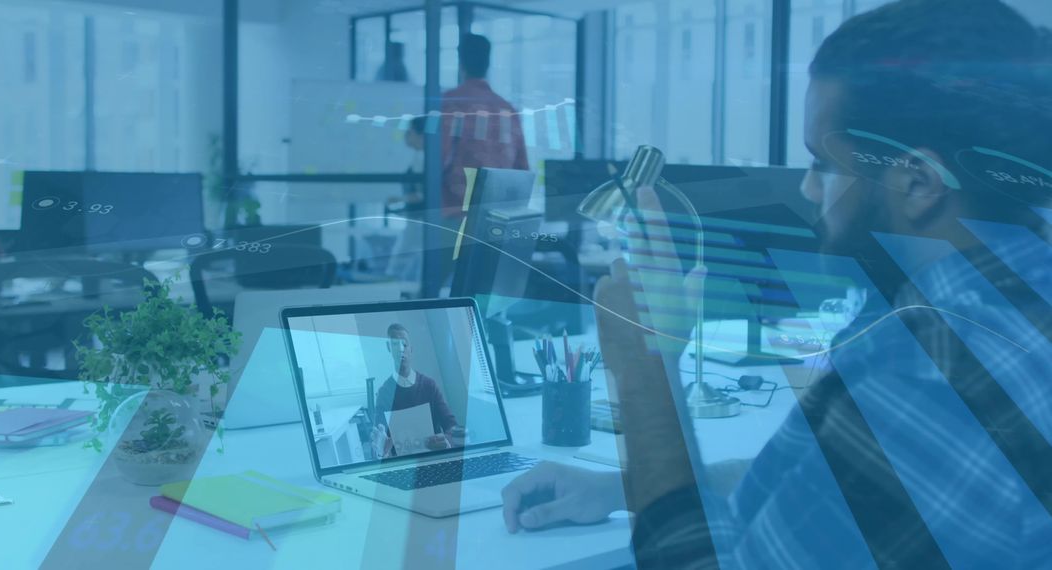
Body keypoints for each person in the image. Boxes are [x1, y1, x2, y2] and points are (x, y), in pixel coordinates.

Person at [501, 1, 1052, 567]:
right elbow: (832, 483)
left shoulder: (928, 365)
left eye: (824, 164)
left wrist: (644, 368)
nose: (810, 189)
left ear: (918, 184)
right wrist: (624, 487)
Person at [440, 33, 529, 219]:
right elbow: (522, 168)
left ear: (460, 63)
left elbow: (441, 155)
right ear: (488, 64)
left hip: (455, 211)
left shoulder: (452, 102)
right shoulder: (507, 109)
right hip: (497, 214)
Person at [371, 323, 461, 458]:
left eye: (405, 344)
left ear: (411, 349)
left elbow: (451, 426)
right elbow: (380, 438)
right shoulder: (384, 393)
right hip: (403, 465)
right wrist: (381, 449)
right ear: (389, 348)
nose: (401, 349)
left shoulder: (429, 386)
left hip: (434, 458)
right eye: (395, 344)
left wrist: (447, 441)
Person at [384, 117, 427, 282]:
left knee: (402, 261)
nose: (406, 136)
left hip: (420, 219)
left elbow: (423, 194)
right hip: (417, 219)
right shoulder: (419, 156)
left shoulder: (424, 158)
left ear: (421, 135)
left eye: (409, 132)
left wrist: (399, 199)